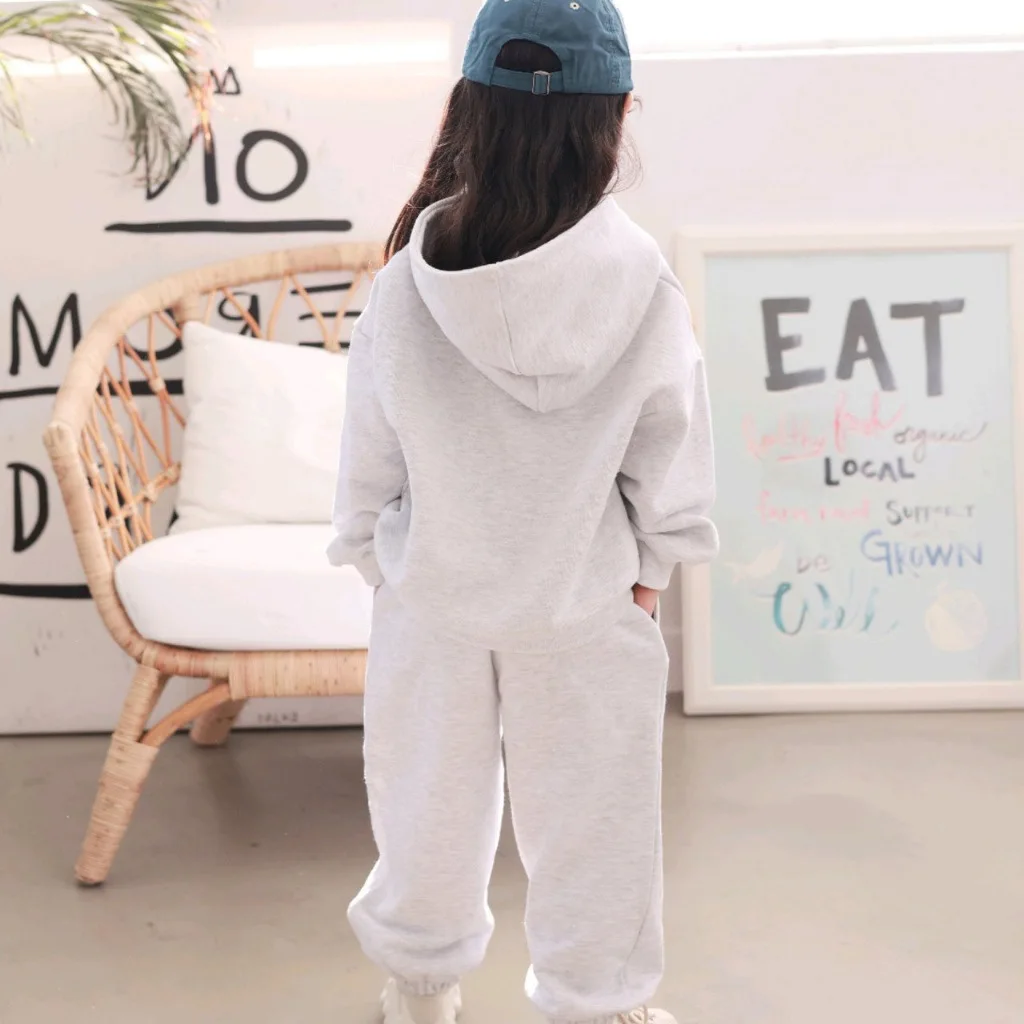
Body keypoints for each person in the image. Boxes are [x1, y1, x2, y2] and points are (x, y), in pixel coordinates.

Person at [329, 1, 719, 1021]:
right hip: (585, 604)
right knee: (598, 820)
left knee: (423, 808)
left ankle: (419, 986)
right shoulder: (645, 285)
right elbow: (670, 455)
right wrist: (648, 575)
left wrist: (385, 565)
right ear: (618, 114)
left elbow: (368, 459)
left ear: (469, 107)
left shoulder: (408, 284)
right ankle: (598, 1001)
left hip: (433, 601)